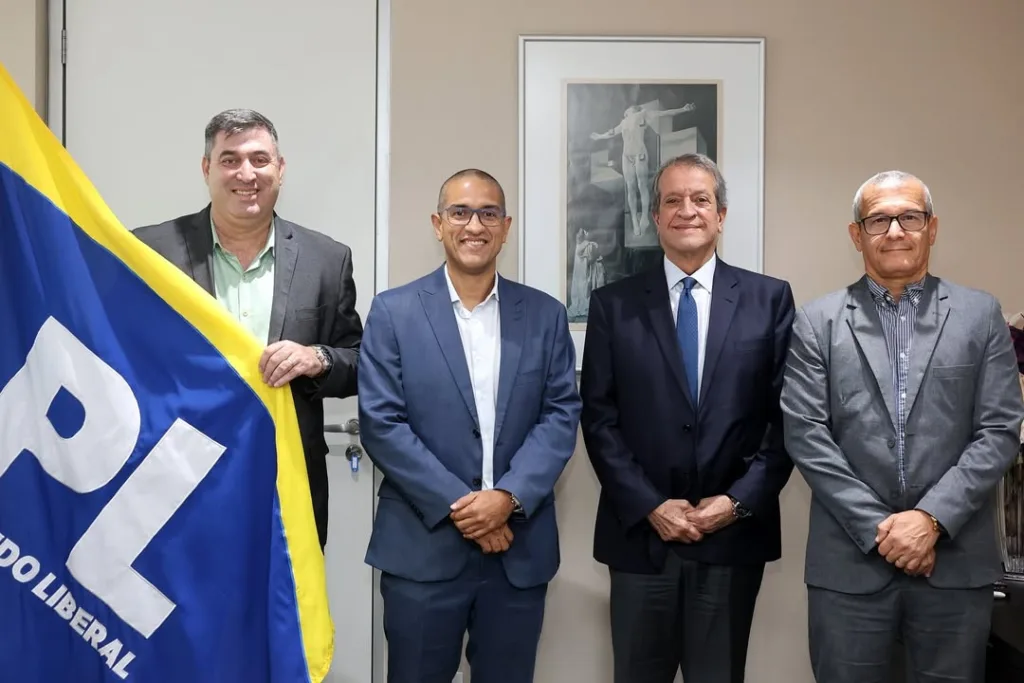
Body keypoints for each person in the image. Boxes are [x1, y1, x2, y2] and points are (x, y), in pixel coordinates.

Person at [780, 170, 1024, 683]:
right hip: (848, 568)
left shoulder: (981, 317)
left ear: (932, 228)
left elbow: (1000, 428)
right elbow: (806, 434)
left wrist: (930, 520)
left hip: (954, 567)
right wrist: (884, 530)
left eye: (909, 216)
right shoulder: (816, 321)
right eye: (878, 219)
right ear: (857, 235)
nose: (895, 230)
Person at [357, 168, 581, 683]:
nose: (473, 225)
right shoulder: (393, 312)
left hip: (518, 551)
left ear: (506, 227)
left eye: (488, 213)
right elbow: (382, 424)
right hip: (421, 548)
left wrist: (507, 497)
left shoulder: (545, 316)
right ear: (438, 224)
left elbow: (560, 415)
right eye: (460, 212)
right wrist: (466, 508)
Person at [579, 152, 796, 683]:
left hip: (732, 537)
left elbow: (788, 420)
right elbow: (599, 417)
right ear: (655, 218)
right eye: (672, 201)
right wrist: (651, 504)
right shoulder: (613, 303)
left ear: (721, 215)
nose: (686, 211)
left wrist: (737, 503)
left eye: (700, 199)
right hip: (640, 538)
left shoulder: (770, 300)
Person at [133, 108, 362, 550]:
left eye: (260, 159)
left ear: (280, 168)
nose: (246, 173)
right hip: (174, 477)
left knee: (282, 614)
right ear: (207, 169)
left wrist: (319, 358)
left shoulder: (327, 260)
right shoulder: (150, 250)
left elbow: (358, 361)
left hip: (286, 481)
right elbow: (118, 350)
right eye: (230, 159)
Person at [590, 102, 695, 236]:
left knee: (642, 185)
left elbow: (664, 113)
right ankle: (634, 219)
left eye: (629, 108)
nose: (626, 110)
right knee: (631, 186)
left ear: (633, 109)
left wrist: (682, 109)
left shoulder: (643, 114)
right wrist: (598, 136)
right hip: (626, 156)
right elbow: (610, 133)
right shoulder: (623, 123)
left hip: (639, 154)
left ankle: (644, 216)